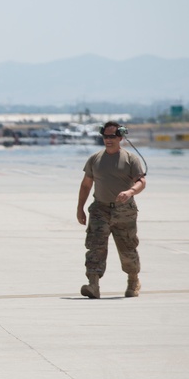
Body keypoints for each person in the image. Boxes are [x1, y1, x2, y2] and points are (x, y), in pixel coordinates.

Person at [76, 121, 146, 299]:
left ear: (121, 137)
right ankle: (93, 285)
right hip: (100, 209)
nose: (108, 140)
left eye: (112, 137)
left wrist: (130, 192)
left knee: (128, 249)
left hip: (124, 211)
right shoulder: (95, 159)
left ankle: (133, 280)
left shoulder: (131, 159)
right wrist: (80, 208)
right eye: (105, 136)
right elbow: (86, 185)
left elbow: (141, 182)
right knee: (95, 247)